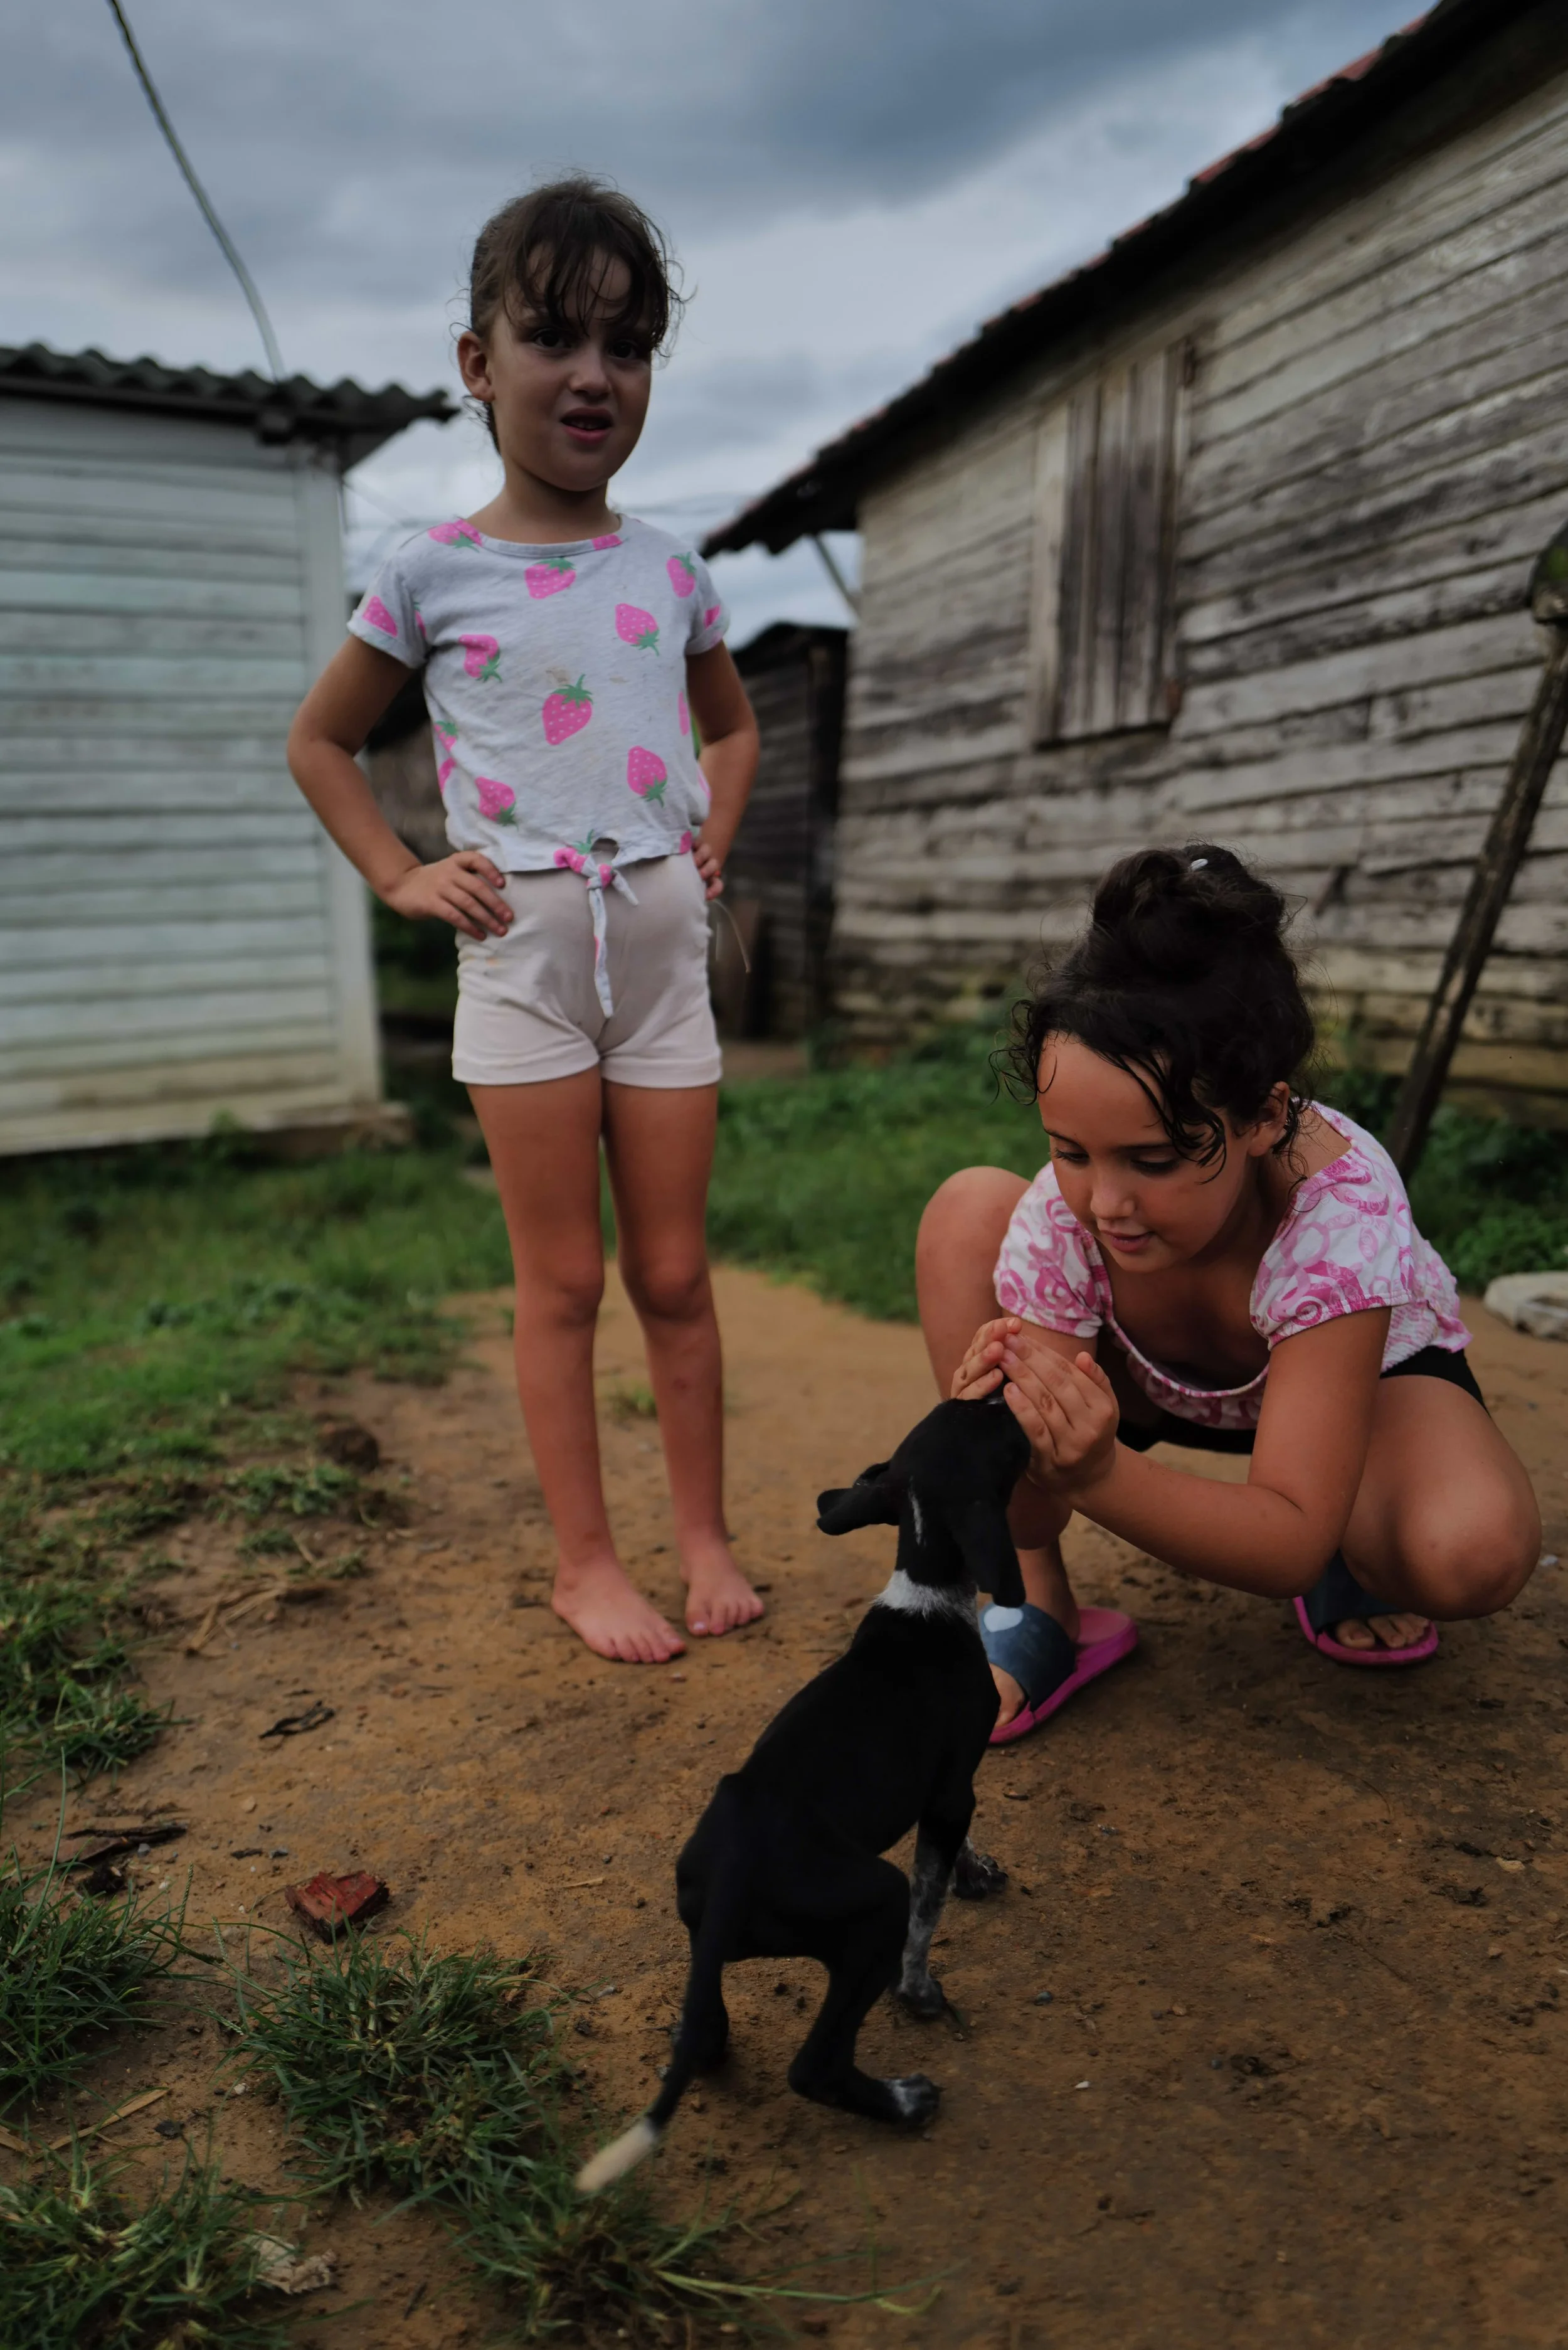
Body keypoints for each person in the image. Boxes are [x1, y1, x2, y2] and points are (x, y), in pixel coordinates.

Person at [288, 178, 764, 1666]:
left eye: (626, 346)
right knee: (560, 1280)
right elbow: (322, 743)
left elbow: (731, 735)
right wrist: (399, 873)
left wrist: (713, 849)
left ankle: (701, 1536)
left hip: (662, 961)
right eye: (553, 336)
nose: (592, 375)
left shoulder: (671, 565)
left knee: (675, 1275)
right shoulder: (429, 571)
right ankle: (584, 1562)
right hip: (523, 966)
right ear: (476, 364)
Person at [918, 844, 1540, 1744]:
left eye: (1156, 1159)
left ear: (1261, 1117)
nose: (1105, 1203)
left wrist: (1097, 1468)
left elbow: (1283, 1537)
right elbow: (1037, 1502)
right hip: (1139, 1374)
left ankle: (1352, 1537)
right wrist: (998, 1443)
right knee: (965, 1209)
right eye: (1070, 1149)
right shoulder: (1067, 1214)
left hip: (1344, 1397)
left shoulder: (1341, 1209)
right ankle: (1038, 1604)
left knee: (1467, 1548)